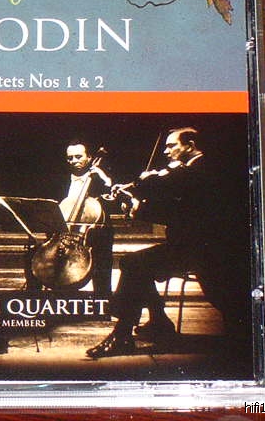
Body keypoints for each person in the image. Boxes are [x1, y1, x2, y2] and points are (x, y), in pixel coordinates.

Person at [86, 127, 250, 358]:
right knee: (134, 263)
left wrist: (139, 199)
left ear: (190, 145)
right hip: (191, 246)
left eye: (172, 145)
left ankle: (124, 335)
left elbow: (172, 202)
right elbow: (176, 210)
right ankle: (157, 322)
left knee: (135, 264)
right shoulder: (189, 171)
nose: (166, 151)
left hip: (205, 251)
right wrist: (139, 205)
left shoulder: (198, 170)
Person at [26, 141, 114, 298]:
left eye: (78, 156)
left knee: (101, 254)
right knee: (32, 252)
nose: (74, 161)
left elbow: (112, 199)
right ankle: (34, 299)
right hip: (61, 233)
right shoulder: (60, 180)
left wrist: (103, 177)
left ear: (89, 157)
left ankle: (103, 299)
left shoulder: (99, 179)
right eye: (70, 158)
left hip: (92, 237)